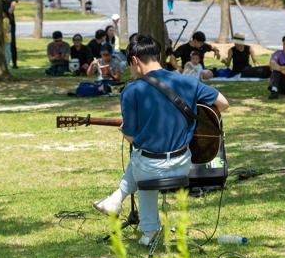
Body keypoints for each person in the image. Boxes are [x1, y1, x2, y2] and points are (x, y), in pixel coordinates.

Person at [93, 34, 230, 246]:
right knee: (144, 160)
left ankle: (142, 224)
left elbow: (132, 137)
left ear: (135, 61)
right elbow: (223, 103)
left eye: (130, 65)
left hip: (149, 169)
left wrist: (123, 130)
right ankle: (120, 205)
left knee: (141, 157)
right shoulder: (187, 81)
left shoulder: (131, 90)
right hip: (184, 165)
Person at [3, 0, 18, 68]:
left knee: (12, 42)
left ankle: (14, 63)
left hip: (9, 21)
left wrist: (8, 12)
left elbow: (13, 5)